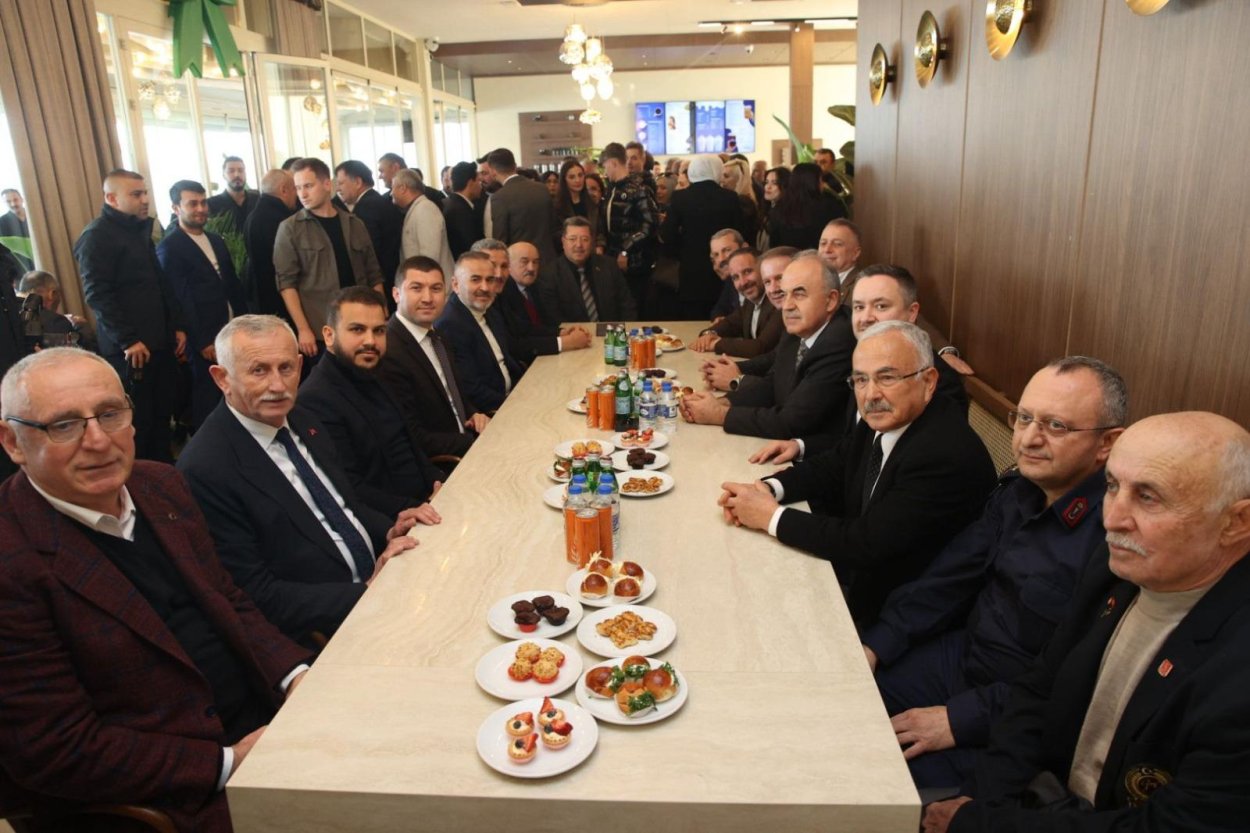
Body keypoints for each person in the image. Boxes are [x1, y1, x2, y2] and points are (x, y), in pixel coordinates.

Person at [0, 348, 312, 832]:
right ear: (12, 442)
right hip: (176, 798)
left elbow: (228, 599)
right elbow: (56, 748)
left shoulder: (161, 484)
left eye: (110, 414)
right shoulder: (11, 558)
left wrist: (296, 677)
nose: (98, 440)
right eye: (64, 425)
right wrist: (229, 761)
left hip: (266, 723)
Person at [926, 412, 1250, 833]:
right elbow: (1038, 691)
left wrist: (979, 824)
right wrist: (982, 801)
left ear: (1236, 523)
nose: (1112, 519)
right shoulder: (1117, 566)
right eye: (1112, 486)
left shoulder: (1236, 670)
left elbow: (1168, 826)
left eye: (1148, 497)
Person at [850, 357, 1126, 791]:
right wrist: (877, 644)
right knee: (839, 701)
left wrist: (958, 720)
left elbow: (1071, 685)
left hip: (1014, 714)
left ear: (1107, 442)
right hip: (961, 658)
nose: (1029, 439)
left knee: (868, 778)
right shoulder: (1019, 492)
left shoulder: (1116, 540)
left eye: (1056, 426)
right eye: (1024, 418)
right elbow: (948, 580)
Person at [718, 321, 997, 625]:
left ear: (928, 381)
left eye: (887, 377)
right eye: (861, 380)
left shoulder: (942, 453)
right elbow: (834, 465)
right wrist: (768, 488)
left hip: (900, 616)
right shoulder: (887, 415)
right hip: (864, 581)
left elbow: (866, 544)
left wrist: (770, 517)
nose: (871, 394)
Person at [177, 315, 418, 645]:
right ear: (222, 378)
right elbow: (256, 594)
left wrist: (390, 529)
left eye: (286, 368)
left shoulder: (302, 417)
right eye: (259, 371)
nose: (278, 386)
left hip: (385, 582)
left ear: (301, 367)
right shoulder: (205, 468)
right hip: (330, 630)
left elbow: (345, 505)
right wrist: (366, 592)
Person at [297, 286, 446, 519]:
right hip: (397, 522)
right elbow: (350, 488)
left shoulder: (378, 371)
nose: (370, 341)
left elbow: (411, 447)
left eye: (378, 331)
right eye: (357, 329)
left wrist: (438, 482)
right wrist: (417, 506)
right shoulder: (314, 399)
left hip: (431, 500)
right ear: (328, 335)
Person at [74, 169, 187, 463]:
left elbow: (159, 285)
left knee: (162, 417)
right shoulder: (96, 236)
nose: (145, 199)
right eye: (136, 194)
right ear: (112, 198)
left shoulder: (138, 231)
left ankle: (165, 478)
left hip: (158, 344)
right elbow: (97, 295)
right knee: (138, 425)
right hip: (131, 351)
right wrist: (128, 340)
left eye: (145, 192)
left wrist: (175, 326)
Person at [682, 253, 854, 439]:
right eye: (784, 294)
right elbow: (773, 385)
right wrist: (723, 402)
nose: (787, 306)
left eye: (799, 294)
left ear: (831, 300)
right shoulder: (797, 329)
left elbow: (792, 422)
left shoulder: (839, 342)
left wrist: (719, 414)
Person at [156, 180, 249, 429]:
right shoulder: (170, 248)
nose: (200, 209)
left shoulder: (215, 240)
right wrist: (202, 340)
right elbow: (180, 298)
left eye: (203, 202)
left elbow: (231, 284)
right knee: (208, 397)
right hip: (203, 337)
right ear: (176, 208)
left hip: (232, 326)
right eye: (192, 204)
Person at [376, 256, 490, 459]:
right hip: (446, 461)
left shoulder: (438, 336)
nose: (428, 298)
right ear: (396, 294)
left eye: (436, 289)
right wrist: (473, 443)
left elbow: (454, 394)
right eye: (416, 288)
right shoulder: (388, 350)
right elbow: (413, 436)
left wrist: (473, 414)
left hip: (468, 440)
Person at [274, 158, 383, 362]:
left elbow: (373, 273)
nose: (302, 194)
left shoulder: (354, 223)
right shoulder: (290, 228)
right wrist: (303, 329)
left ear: (326, 184)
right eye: (298, 188)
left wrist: (382, 314)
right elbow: (287, 285)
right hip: (320, 328)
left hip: (361, 322)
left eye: (308, 186)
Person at [435, 252, 526, 413]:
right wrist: (517, 405)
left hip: (513, 396)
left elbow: (510, 359)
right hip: (492, 412)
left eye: (490, 280)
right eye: (475, 279)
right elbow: (471, 389)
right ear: (455, 285)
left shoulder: (490, 311)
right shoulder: (450, 324)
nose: (485, 288)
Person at [660, 154, 749, 320]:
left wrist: (683, 252)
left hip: (691, 270)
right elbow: (739, 232)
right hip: (724, 268)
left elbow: (667, 234)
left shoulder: (680, 198)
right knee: (723, 315)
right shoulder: (729, 198)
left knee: (693, 318)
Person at [497, 241, 591, 363]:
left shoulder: (536, 286)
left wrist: (563, 332)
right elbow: (517, 343)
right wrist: (566, 342)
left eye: (535, 262)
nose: (531, 268)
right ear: (508, 265)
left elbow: (533, 328)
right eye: (524, 262)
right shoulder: (502, 294)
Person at [536, 216, 637, 324]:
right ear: (563, 241)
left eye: (585, 239)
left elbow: (627, 306)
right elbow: (553, 318)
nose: (579, 245)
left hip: (612, 332)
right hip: (573, 333)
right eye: (572, 239)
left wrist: (625, 331)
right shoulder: (549, 275)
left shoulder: (609, 265)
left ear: (592, 242)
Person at [690, 247, 783, 358]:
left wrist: (716, 344)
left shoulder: (778, 302)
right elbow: (730, 323)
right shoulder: (750, 302)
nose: (743, 282)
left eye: (747, 272)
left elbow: (760, 347)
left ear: (764, 270)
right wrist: (708, 334)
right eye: (735, 277)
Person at [601, 142, 659, 314]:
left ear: (613, 163)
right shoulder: (611, 190)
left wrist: (626, 249)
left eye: (605, 166)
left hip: (635, 262)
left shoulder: (639, 189)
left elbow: (650, 225)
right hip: (613, 260)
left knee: (634, 307)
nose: (604, 171)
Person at [334, 160, 402, 292]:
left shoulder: (366, 208)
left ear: (358, 182)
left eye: (341, 183)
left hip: (382, 282)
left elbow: (368, 251)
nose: (337, 189)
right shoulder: (377, 201)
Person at [483, 147, 558, 266]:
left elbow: (501, 239)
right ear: (515, 166)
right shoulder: (542, 189)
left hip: (520, 264)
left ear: (492, 171)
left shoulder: (500, 197)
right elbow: (554, 226)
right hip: (547, 260)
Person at [243, 168, 298, 317]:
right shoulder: (281, 220)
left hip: (260, 295)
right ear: (284, 190)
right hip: (279, 298)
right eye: (295, 188)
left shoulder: (253, 216)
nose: (297, 194)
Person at [767, 162, 847, 250]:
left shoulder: (779, 208)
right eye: (821, 180)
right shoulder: (828, 207)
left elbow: (774, 244)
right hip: (820, 256)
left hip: (787, 257)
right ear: (814, 182)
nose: (823, 184)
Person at [392, 167, 455, 278]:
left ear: (402, 188)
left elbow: (429, 257)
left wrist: (422, 285)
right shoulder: (418, 208)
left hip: (431, 283)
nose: (391, 193)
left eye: (393, 188)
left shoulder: (425, 209)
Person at [15, 270, 93, 349]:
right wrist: (81, 327)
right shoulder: (55, 321)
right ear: (52, 294)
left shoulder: (9, 314)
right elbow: (80, 351)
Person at [554, 159, 603, 253]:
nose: (577, 180)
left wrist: (599, 246)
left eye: (580, 175)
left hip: (592, 252)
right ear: (564, 180)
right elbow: (556, 234)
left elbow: (599, 229)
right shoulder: (557, 206)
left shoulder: (591, 202)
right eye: (572, 177)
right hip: (569, 253)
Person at [206, 156, 259, 232]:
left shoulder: (258, 200)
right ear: (224, 175)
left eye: (241, 170)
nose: (237, 175)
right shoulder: (212, 204)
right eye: (231, 171)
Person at [443, 160, 483, 260]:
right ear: (470, 183)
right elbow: (470, 247)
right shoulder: (460, 211)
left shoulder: (448, 203)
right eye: (479, 181)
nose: (481, 185)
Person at [708, 227, 747, 320]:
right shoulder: (730, 279)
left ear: (744, 248)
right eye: (716, 255)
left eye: (727, 250)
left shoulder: (762, 275)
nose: (721, 259)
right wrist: (719, 319)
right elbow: (719, 310)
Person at [818, 219, 864, 292]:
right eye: (823, 243)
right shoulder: (811, 281)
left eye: (837, 244)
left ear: (855, 253)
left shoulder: (862, 285)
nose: (827, 250)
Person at [721, 157, 761, 240]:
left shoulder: (743, 203)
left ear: (739, 179)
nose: (722, 180)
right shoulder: (743, 200)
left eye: (726, 176)